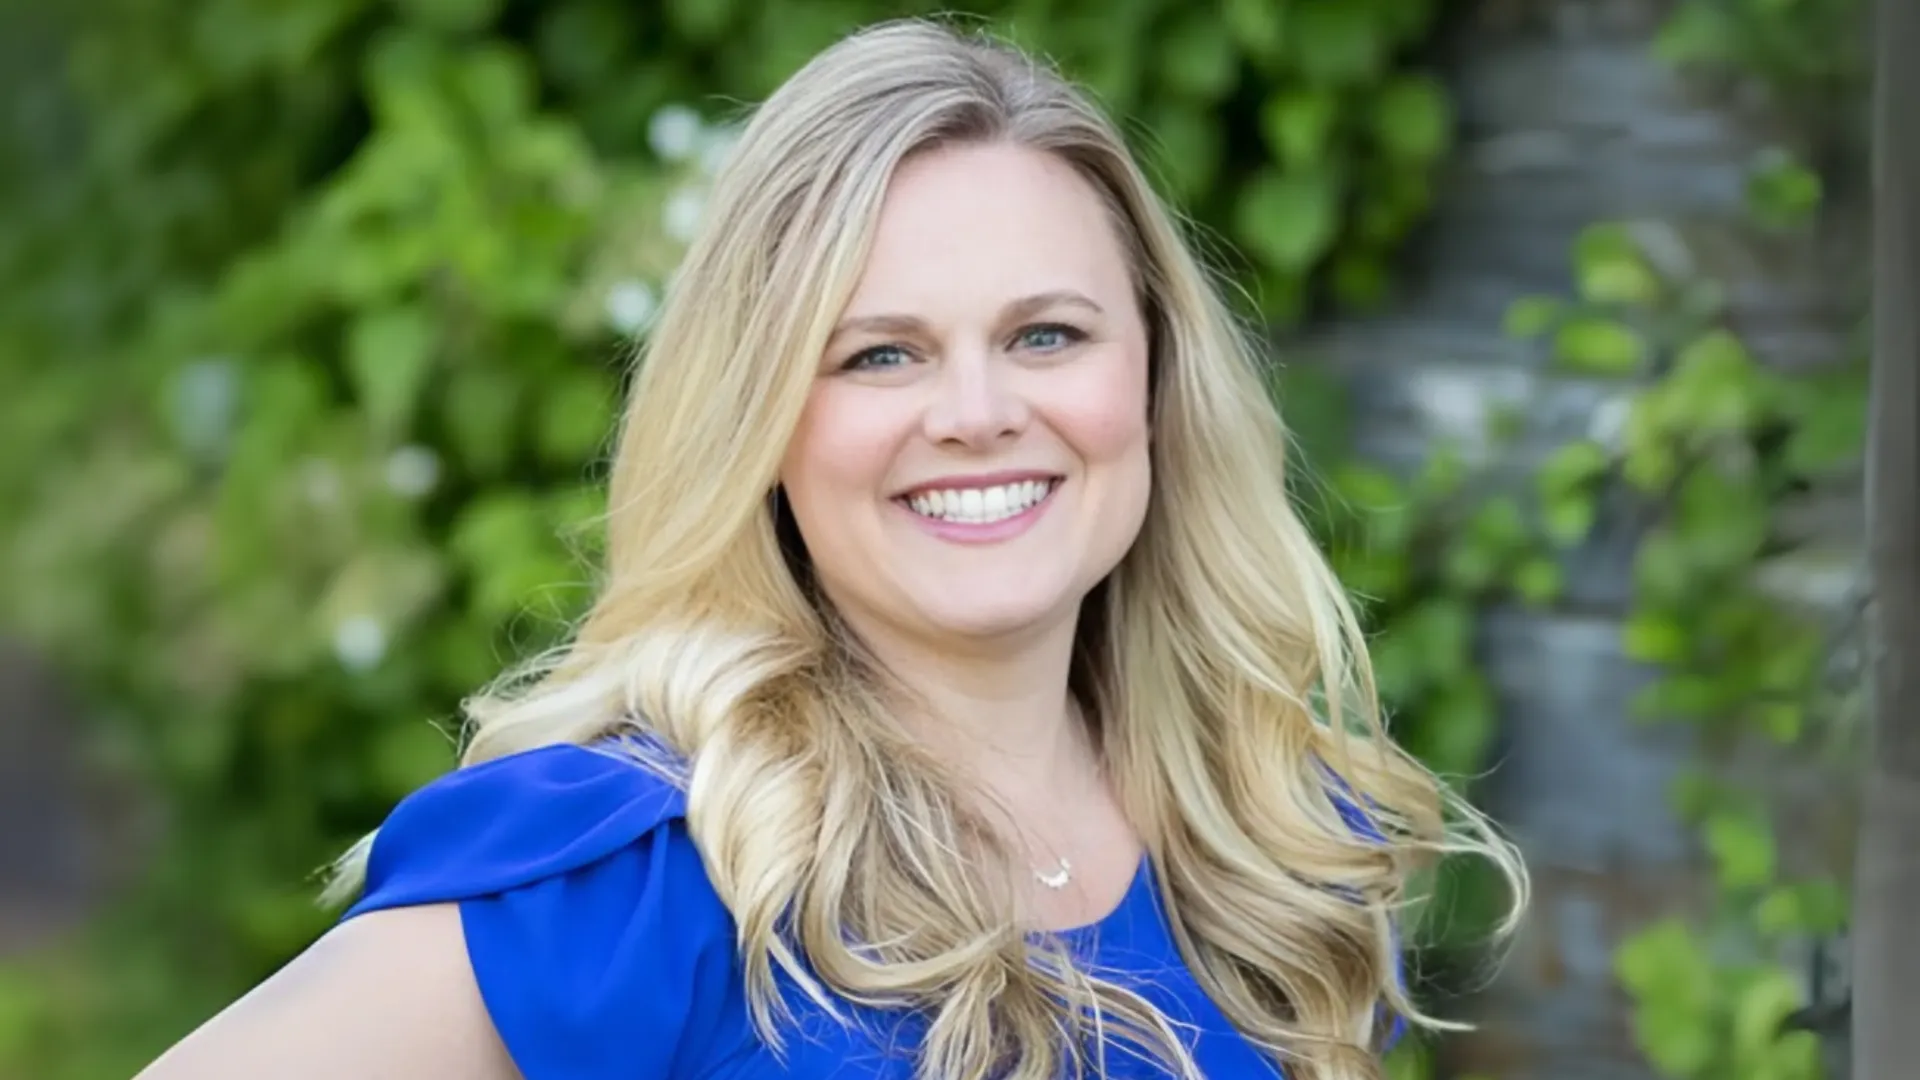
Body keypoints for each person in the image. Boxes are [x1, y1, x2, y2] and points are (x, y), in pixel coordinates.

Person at [134, 17, 1526, 1080]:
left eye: (1047, 334)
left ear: (1155, 382)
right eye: (879, 355)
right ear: (764, 421)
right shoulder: (639, 873)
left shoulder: (1278, 838)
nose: (979, 415)